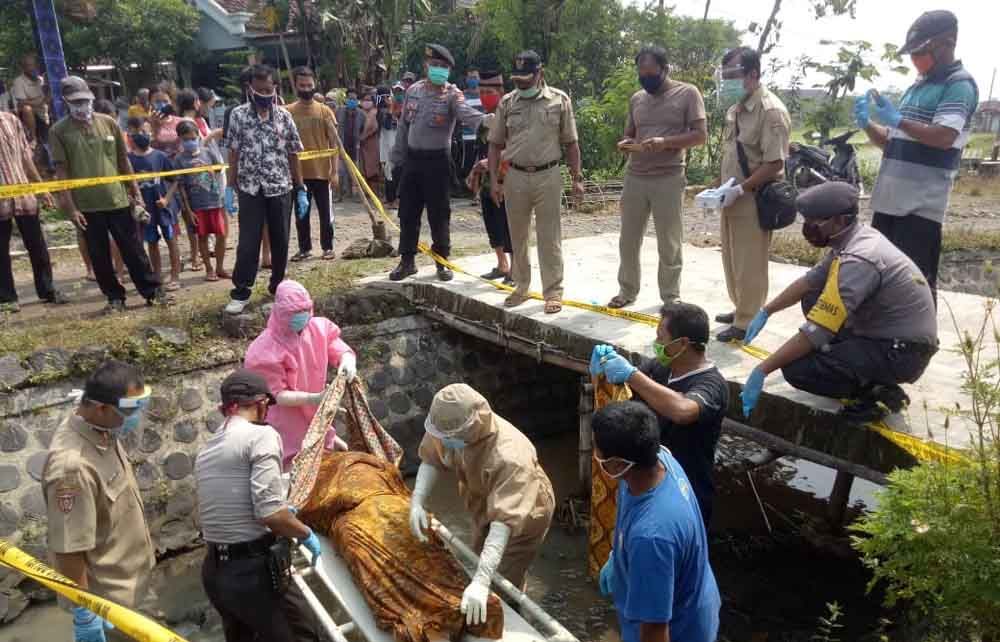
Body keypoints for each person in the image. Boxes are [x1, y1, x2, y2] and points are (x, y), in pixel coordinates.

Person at [739, 182, 938, 425]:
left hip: (902, 353)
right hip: (887, 337)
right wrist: (766, 311)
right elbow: (810, 282)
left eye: (815, 221)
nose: (808, 227)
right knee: (812, 298)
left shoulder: (859, 258)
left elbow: (816, 330)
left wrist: (762, 370)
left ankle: (879, 395)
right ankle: (864, 372)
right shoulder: (852, 239)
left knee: (797, 369)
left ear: (841, 220)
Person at [196, 368, 327, 642]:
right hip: (254, 573)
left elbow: (231, 504)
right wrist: (304, 533)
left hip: (215, 573)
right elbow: (270, 514)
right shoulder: (261, 436)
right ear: (261, 403)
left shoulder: (208, 448)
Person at [856, 10, 978, 299]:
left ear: (947, 43)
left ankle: (919, 343)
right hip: (889, 204)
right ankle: (886, 342)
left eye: (921, 51)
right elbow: (894, 143)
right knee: (882, 283)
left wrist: (898, 121)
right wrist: (868, 124)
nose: (915, 59)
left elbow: (944, 136)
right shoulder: (916, 86)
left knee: (914, 288)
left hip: (918, 209)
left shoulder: (958, 84)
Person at [410, 384, 555, 622]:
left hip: (525, 508)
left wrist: (482, 580)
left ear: (470, 427)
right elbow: (432, 458)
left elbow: (503, 525)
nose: (444, 443)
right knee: (479, 552)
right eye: (442, 437)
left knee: (502, 576)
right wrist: (417, 500)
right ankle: (496, 592)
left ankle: (511, 613)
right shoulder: (447, 424)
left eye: (450, 438)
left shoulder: (511, 457)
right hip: (481, 497)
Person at [43, 360, 156, 642]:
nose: (136, 415)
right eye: (130, 409)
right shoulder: (73, 467)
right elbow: (69, 549)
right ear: (100, 407)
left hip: (134, 584)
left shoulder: (102, 429)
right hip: (110, 604)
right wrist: (86, 613)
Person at [589, 302, 728, 529]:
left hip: (685, 488)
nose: (656, 344)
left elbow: (683, 411)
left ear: (683, 343)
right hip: (647, 480)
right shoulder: (660, 368)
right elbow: (621, 399)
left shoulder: (712, 385)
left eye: (661, 338)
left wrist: (632, 375)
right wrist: (601, 372)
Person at [593, 401, 721, 642]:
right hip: (694, 594)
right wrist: (618, 558)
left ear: (617, 465)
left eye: (597, 450)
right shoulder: (660, 459)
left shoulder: (651, 538)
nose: (595, 455)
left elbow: (654, 631)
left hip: (681, 629)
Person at [50, 76, 167, 313]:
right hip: (86, 205)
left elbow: (124, 160)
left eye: (85, 100)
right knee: (99, 255)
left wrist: (135, 191)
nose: (82, 105)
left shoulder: (108, 123)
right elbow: (61, 171)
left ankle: (152, 292)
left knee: (133, 249)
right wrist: (70, 207)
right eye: (76, 101)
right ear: (66, 102)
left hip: (118, 199)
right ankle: (114, 298)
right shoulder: (59, 131)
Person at [610, 45, 707, 310]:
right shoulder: (637, 99)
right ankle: (627, 290)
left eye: (651, 74)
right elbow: (629, 132)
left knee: (669, 241)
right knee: (628, 239)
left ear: (665, 69)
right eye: (641, 74)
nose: (646, 79)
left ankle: (670, 296)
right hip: (635, 176)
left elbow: (700, 135)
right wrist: (626, 142)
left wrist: (665, 142)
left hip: (668, 177)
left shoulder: (687, 93)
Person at [488, 50, 584, 314]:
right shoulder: (507, 102)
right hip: (515, 177)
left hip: (548, 176)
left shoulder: (559, 100)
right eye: (517, 78)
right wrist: (494, 181)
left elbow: (571, 144)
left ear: (539, 73)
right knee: (517, 236)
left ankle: (553, 292)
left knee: (549, 237)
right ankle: (521, 287)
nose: (520, 83)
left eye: (526, 78)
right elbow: (495, 145)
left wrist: (577, 179)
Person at [389, 43, 487, 283]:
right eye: (434, 65)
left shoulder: (453, 94)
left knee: (439, 213)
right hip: (412, 160)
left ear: (449, 71)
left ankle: (442, 261)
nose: (438, 70)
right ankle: (407, 260)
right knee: (408, 213)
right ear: (426, 65)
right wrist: (397, 160)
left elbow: (466, 113)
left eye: (443, 67)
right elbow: (403, 127)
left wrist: (488, 122)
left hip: (438, 162)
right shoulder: (413, 91)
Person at [712, 46, 791, 342]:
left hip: (754, 196)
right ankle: (740, 308)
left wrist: (740, 189)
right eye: (726, 75)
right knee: (732, 258)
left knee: (750, 261)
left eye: (733, 74)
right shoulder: (738, 106)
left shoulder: (770, 110)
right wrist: (720, 188)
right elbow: (734, 150)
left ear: (753, 74)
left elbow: (774, 163)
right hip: (732, 195)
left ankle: (746, 321)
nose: (727, 81)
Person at [244, 280, 356, 469]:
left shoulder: (318, 328)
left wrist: (347, 360)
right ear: (280, 313)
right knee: (295, 469)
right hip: (286, 425)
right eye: (293, 314)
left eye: (304, 311)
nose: (300, 317)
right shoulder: (263, 350)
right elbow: (275, 395)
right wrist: (314, 398)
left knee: (326, 466)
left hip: (317, 420)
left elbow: (336, 346)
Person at [223, 64, 305, 315]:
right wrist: (230, 185)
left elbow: (293, 153)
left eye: (268, 90)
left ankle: (278, 287)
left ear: (275, 89)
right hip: (250, 188)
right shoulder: (238, 115)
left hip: (280, 187)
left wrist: (300, 188)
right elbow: (233, 151)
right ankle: (241, 292)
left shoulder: (284, 117)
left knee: (281, 240)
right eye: (259, 90)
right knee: (248, 241)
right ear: (250, 90)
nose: (264, 94)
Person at [0, 109, 67, 313]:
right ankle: (7, 298)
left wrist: (40, 188)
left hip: (23, 194)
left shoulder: (10, 120)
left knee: (37, 245)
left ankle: (47, 290)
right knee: (1, 252)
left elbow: (26, 158)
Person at [287, 67, 340, 262]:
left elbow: (334, 145)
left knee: (326, 214)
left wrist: (335, 172)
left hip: (322, 173)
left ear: (314, 85)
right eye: (302, 85)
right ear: (296, 86)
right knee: (302, 213)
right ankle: (304, 248)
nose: (306, 88)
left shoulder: (325, 111)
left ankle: (328, 247)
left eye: (309, 85)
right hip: (298, 174)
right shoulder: (288, 112)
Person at [466, 71, 512, 284]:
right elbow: (481, 149)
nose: (485, 96)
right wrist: (473, 172)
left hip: (507, 179)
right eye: (482, 92)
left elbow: (518, 147)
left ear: (501, 92)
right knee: (491, 223)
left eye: (489, 92)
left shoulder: (511, 117)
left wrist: (494, 162)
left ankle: (515, 269)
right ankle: (502, 264)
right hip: (486, 180)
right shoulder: (484, 121)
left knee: (507, 224)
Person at [127, 117, 182, 291]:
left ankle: (175, 276)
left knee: (171, 239)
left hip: (164, 208)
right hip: (145, 210)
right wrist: (134, 201)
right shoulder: (128, 160)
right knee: (152, 243)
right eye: (139, 131)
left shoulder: (160, 156)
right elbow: (125, 184)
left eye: (146, 131)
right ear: (131, 135)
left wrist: (167, 199)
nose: (143, 134)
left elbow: (174, 180)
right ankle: (157, 277)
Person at [174, 119, 229, 281]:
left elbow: (219, 172)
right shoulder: (179, 160)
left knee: (221, 234)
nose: (190, 142)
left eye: (192, 138)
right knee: (202, 238)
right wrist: (188, 210)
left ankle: (220, 267)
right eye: (186, 140)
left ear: (198, 136)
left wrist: (211, 174)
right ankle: (209, 269)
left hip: (215, 201)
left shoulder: (208, 153)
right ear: (180, 139)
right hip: (196, 206)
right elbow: (181, 187)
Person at [10, 54, 48, 147]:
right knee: (27, 109)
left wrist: (44, 101)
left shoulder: (41, 80)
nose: (31, 68)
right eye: (28, 65)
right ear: (23, 68)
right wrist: (39, 102)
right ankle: (33, 138)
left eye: (33, 65)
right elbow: (22, 102)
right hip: (30, 112)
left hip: (43, 109)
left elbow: (46, 99)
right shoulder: (18, 81)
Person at [335, 89, 363, 201]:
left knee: (355, 171)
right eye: (350, 98)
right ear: (346, 100)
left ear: (357, 101)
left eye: (354, 99)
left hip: (355, 146)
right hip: (342, 144)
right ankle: (339, 195)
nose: (352, 100)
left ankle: (354, 194)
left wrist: (360, 139)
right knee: (341, 171)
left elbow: (364, 128)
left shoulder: (361, 114)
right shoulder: (339, 111)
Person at [380, 83, 403, 209]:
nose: (398, 95)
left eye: (400, 92)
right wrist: (390, 109)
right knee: (390, 175)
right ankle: (390, 200)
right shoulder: (383, 112)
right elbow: (387, 126)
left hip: (401, 149)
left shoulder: (404, 111)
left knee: (399, 175)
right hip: (388, 149)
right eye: (396, 92)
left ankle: (397, 199)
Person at [359, 91, 381, 188]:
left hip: (372, 143)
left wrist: (364, 136)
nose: (366, 102)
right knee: (363, 167)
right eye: (364, 100)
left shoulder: (376, 112)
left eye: (369, 100)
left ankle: (374, 190)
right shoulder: (359, 112)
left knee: (373, 167)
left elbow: (375, 127)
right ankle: (366, 190)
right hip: (361, 144)